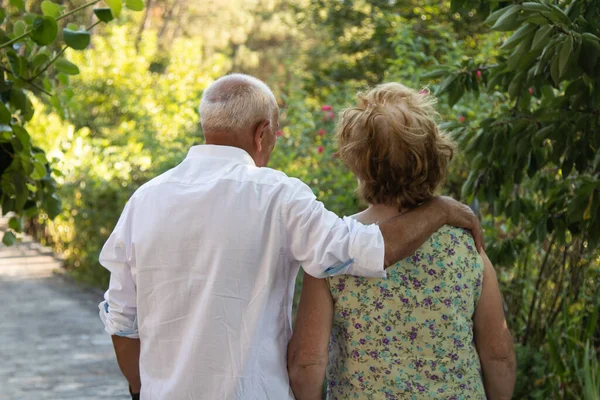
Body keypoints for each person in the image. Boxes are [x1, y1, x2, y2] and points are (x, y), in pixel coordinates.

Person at [98, 74, 484, 400]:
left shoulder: (144, 200)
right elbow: (367, 249)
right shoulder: (276, 195)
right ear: (262, 133)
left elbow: (122, 322)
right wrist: (441, 209)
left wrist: (146, 389)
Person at [288, 82, 516, 400]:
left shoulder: (335, 248)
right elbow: (499, 355)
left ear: (355, 162)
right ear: (436, 156)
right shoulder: (466, 246)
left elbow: (307, 364)